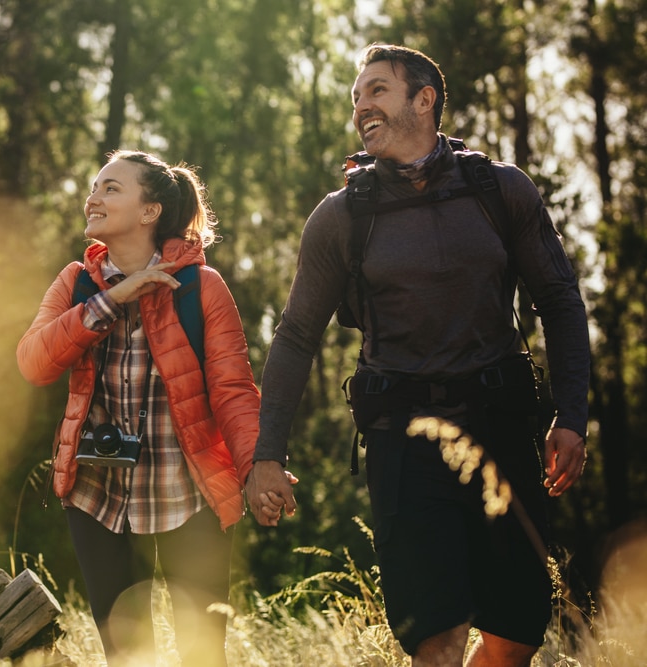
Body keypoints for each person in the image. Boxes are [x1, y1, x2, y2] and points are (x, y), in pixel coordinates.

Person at [246, 44, 590, 666]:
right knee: (437, 630)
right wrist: (267, 454)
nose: (361, 107)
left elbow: (561, 302)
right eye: (356, 98)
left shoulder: (500, 190)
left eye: (376, 90)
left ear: (424, 99)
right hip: (403, 437)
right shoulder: (342, 216)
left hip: (503, 424)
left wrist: (570, 414)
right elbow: (296, 335)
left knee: (516, 630)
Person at [17, 150, 261, 666]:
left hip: (188, 497)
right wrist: (113, 299)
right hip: (97, 498)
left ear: (149, 211)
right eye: (94, 187)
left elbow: (233, 390)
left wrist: (258, 468)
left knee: (201, 653)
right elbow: (33, 363)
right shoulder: (76, 283)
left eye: (110, 188)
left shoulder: (201, 287)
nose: (93, 197)